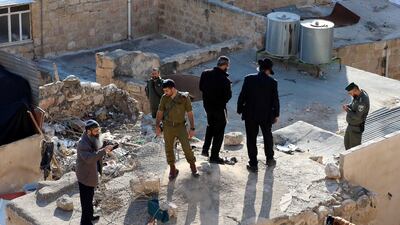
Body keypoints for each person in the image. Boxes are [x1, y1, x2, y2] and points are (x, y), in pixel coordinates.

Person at [237, 58, 280, 173]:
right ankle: (270, 159)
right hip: (266, 116)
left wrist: (239, 109)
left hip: (250, 115)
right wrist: (276, 114)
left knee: (251, 139)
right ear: (268, 70)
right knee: (267, 136)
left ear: (260, 68)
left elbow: (242, 96)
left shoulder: (248, 79)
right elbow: (275, 100)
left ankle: (253, 164)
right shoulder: (272, 82)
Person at [155, 79, 199, 180]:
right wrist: (157, 126)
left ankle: (193, 167)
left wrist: (192, 128)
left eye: (167, 90)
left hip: (180, 126)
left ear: (173, 89)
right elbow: (160, 112)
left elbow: (190, 113)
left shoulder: (184, 97)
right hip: (168, 126)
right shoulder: (164, 98)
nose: (165, 93)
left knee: (187, 148)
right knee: (169, 149)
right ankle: (172, 169)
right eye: (164, 91)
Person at [76, 120, 114, 225]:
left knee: (90, 197)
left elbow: (98, 148)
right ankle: (85, 222)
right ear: (89, 131)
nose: (98, 132)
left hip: (91, 174)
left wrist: (107, 146)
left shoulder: (92, 138)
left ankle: (90, 216)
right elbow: (89, 158)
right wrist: (103, 151)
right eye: (96, 131)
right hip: (85, 176)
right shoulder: (82, 143)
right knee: (86, 202)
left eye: (99, 130)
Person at [199, 56, 232, 164]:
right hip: (219, 108)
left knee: (210, 126)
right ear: (226, 65)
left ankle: (205, 149)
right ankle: (214, 156)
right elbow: (228, 97)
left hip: (207, 107)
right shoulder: (225, 80)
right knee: (219, 132)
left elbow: (201, 88)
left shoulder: (205, 73)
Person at [342, 82, 370, 150]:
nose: (350, 95)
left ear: (355, 90)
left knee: (354, 150)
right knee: (347, 145)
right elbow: (353, 105)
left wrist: (347, 110)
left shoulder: (362, 100)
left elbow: (357, 116)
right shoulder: (357, 95)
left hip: (356, 128)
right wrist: (348, 106)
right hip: (351, 126)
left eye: (350, 93)